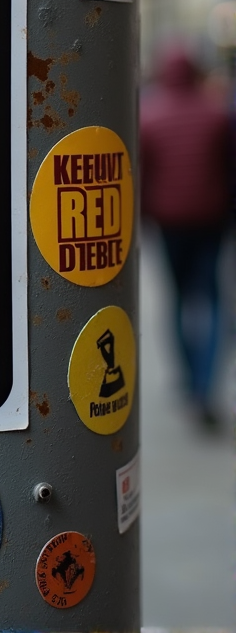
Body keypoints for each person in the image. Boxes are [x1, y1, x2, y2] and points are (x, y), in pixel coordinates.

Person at [140, 45, 234, 426]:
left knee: (177, 299)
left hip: (169, 222)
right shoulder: (218, 114)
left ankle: (186, 377)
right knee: (211, 299)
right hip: (211, 220)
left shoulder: (148, 116)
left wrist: (145, 216)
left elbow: (142, 175)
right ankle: (204, 387)